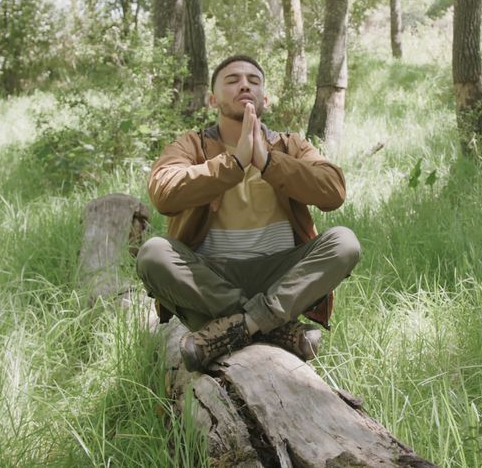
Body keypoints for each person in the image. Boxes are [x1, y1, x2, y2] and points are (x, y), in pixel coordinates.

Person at [136, 55, 360, 372]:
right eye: (232, 80)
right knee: (152, 254)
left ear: (264, 99)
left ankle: (238, 326)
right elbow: (164, 192)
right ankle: (272, 326)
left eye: (253, 81)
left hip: (279, 278)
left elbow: (333, 189)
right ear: (213, 100)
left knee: (344, 242)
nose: (244, 85)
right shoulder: (192, 145)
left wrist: (268, 162)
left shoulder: (290, 146)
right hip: (211, 279)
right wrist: (235, 163)